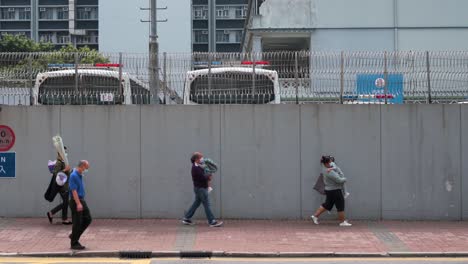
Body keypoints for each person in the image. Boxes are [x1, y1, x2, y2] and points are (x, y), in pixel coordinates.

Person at [182, 152, 223, 227]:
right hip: (201, 189)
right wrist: (209, 176)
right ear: (196, 159)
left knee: (196, 204)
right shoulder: (195, 168)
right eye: (201, 157)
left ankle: (186, 218)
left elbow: (204, 174)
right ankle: (212, 221)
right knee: (207, 205)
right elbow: (202, 177)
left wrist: (207, 172)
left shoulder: (198, 166)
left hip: (199, 189)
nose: (202, 158)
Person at [311, 156, 352, 227]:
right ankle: (342, 222)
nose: (332, 163)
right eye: (330, 162)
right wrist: (345, 179)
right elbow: (339, 180)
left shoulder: (325, 169)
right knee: (340, 205)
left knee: (327, 205)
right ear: (326, 163)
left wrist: (335, 169)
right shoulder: (329, 172)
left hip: (329, 190)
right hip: (335, 191)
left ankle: (315, 216)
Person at [69, 160, 92, 250]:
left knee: (88, 219)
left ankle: (74, 235)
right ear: (81, 166)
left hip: (81, 200)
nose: (85, 170)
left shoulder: (79, 174)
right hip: (76, 201)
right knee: (77, 222)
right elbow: (73, 191)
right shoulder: (73, 175)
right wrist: (78, 203)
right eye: (85, 168)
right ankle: (74, 243)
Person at [46, 147, 72, 225]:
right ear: (60, 153)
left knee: (66, 202)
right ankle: (53, 213)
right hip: (62, 186)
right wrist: (65, 170)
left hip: (65, 185)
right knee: (66, 202)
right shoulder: (59, 162)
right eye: (64, 152)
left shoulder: (63, 161)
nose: (66, 153)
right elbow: (56, 173)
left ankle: (63, 218)